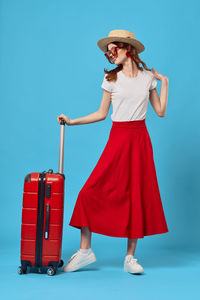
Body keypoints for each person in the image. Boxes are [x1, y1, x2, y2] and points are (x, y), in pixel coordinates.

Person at [57, 29, 169, 274]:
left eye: (113, 50)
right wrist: (73, 121)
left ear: (127, 49)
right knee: (88, 192)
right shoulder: (110, 79)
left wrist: (165, 83)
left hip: (139, 140)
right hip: (117, 139)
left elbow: (160, 111)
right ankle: (85, 251)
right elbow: (101, 114)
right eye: (107, 52)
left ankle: (130, 258)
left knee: (135, 196)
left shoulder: (147, 78)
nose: (110, 54)